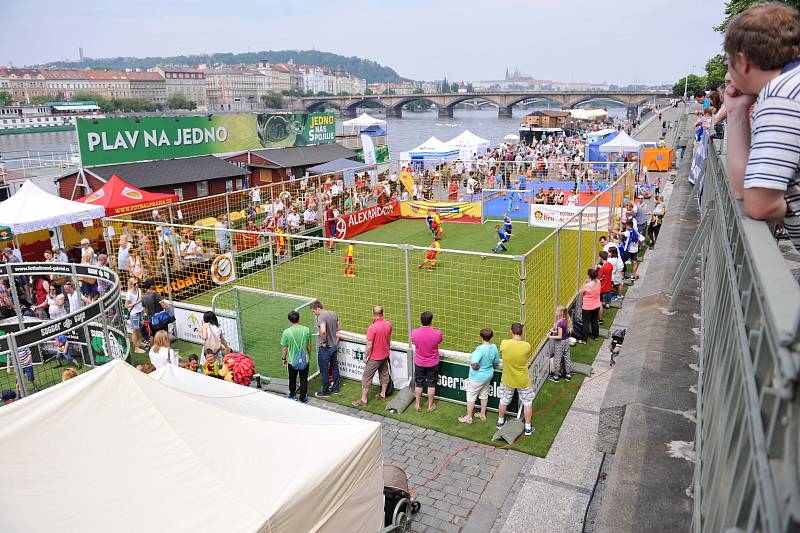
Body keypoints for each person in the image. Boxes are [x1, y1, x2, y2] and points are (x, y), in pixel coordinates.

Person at [723, 2, 800, 252]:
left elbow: (757, 203)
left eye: (728, 63)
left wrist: (790, 205)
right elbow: (744, 188)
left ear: (743, 62)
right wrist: (735, 113)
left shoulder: (781, 96)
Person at [496, 323, 534, 436]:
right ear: (522, 333)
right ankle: (527, 427)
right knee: (527, 402)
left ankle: (500, 421)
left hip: (507, 378)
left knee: (503, 400)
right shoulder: (526, 346)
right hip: (522, 380)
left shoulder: (504, 343)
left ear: (511, 332)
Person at [352, 306, 393, 407]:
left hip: (375, 357)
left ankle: (363, 400)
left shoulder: (372, 327)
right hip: (385, 354)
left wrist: (365, 357)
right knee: (384, 373)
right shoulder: (388, 324)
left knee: (366, 377)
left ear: (374, 313)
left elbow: (369, 345)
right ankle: (383, 394)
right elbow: (388, 340)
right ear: (382, 313)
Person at [459, 328, 500, 424]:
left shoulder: (480, 349)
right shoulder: (494, 347)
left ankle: (469, 417)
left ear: (481, 337)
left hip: (477, 377)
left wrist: (476, 368)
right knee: (484, 394)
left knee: (471, 396)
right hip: (488, 375)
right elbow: (496, 361)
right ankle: (482, 414)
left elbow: (473, 363)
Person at [411, 311, 443, 413]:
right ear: (431, 321)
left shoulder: (414, 332)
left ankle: (417, 404)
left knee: (418, 383)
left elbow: (414, 341)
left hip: (419, 362)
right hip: (432, 363)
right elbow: (439, 341)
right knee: (431, 384)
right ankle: (430, 406)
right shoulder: (437, 333)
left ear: (421, 320)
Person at [281, 310, 313, 403]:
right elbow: (309, 346)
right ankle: (303, 398)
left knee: (292, 379)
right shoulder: (306, 330)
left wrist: (284, 358)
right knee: (303, 379)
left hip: (291, 361)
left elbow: (285, 348)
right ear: (299, 318)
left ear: (289, 320)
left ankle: (292, 395)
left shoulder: (286, 332)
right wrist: (308, 355)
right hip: (304, 360)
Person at [310, 300, 340, 397]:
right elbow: (338, 328)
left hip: (326, 348)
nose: (314, 314)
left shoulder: (321, 317)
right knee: (335, 367)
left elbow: (323, 331)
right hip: (334, 346)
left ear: (318, 308)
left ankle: (325, 391)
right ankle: (336, 388)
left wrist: (324, 342)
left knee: (324, 370)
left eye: (314, 311)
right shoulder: (334, 313)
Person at [547, 306, 573, 382]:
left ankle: (556, 376)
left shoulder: (560, 322)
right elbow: (563, 332)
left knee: (557, 359)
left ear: (561, 313)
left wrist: (550, 336)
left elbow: (560, 336)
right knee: (567, 357)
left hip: (560, 343)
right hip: (566, 341)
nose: (555, 312)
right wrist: (554, 331)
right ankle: (568, 374)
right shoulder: (567, 319)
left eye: (557, 311)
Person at [580, 269, 602, 342]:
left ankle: (584, 339)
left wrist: (585, 283)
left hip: (587, 307)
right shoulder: (598, 282)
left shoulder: (587, 285)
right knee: (594, 321)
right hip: (597, 305)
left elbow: (581, 292)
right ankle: (596, 336)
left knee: (586, 323)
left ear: (589, 276)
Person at [125, 277, 145, 354]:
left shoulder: (139, 290)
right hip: (134, 314)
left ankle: (139, 343)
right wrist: (137, 303)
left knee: (139, 328)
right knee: (135, 330)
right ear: (130, 285)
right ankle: (136, 348)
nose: (136, 285)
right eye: (134, 284)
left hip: (140, 311)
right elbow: (126, 306)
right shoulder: (129, 294)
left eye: (137, 283)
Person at [597, 251, 614, 315]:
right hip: (608, 284)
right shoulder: (610, 265)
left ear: (601, 258)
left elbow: (598, 277)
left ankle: (600, 309)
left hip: (602, 286)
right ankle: (608, 304)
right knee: (608, 294)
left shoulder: (603, 268)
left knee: (599, 300)